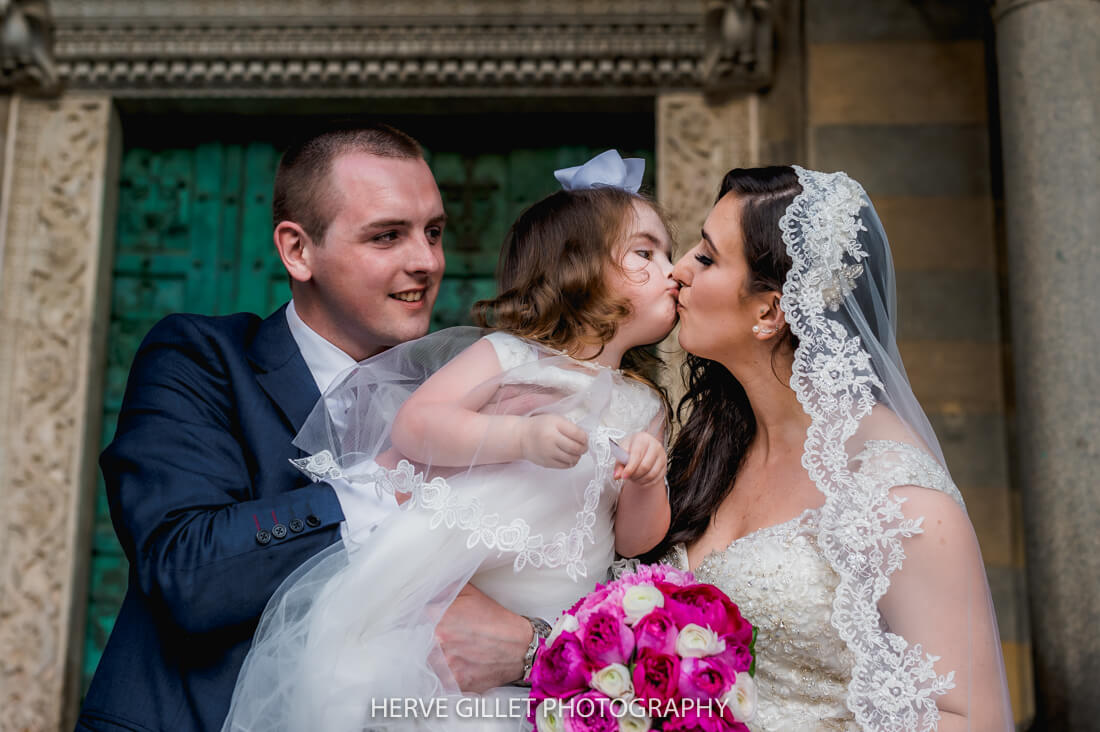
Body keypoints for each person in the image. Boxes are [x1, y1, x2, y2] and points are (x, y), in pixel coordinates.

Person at [77, 124, 532, 732]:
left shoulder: (471, 395)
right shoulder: (199, 359)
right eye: (387, 236)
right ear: (297, 251)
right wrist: (387, 478)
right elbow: (184, 569)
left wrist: (533, 646)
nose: (426, 261)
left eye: (433, 232)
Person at [221, 151, 679, 732]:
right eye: (646, 253)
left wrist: (647, 479)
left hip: (548, 615)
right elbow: (418, 424)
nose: (674, 270)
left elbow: (635, 540)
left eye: (668, 253)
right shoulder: (509, 358)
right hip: (454, 586)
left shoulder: (645, 405)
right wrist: (518, 435)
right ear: (577, 269)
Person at [651, 165, 1014, 730]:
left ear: (770, 311)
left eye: (705, 256)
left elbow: (973, 719)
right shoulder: (705, 451)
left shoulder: (898, 497)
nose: (677, 271)